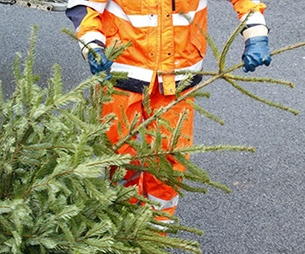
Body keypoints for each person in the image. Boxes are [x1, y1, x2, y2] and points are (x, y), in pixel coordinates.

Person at [66, 0, 271, 224]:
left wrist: (256, 33)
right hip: (122, 69)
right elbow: (83, 4)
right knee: (121, 155)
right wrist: (92, 46)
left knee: (170, 157)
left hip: (178, 72)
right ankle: (125, 224)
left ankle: (156, 232)